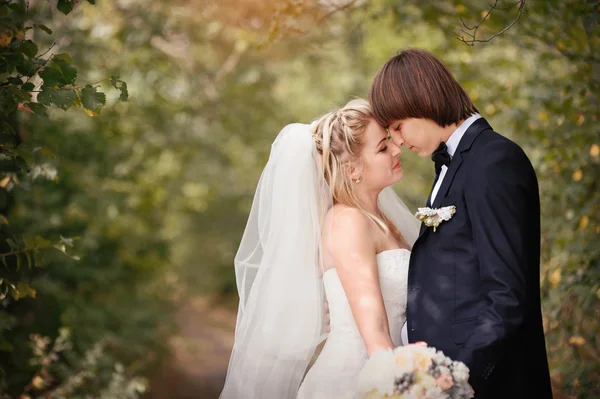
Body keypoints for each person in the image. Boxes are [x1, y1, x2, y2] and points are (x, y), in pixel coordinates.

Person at [368, 48, 552, 399]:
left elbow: (507, 295)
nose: (399, 142)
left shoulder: (494, 161)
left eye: (397, 127)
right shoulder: (452, 166)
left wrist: (457, 378)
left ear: (419, 100)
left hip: (488, 383)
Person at [219, 99, 420, 398]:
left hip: (387, 364)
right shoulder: (348, 221)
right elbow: (374, 332)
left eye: (390, 141)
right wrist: (411, 389)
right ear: (352, 170)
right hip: (357, 380)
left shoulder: (380, 220)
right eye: (382, 148)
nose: (396, 149)